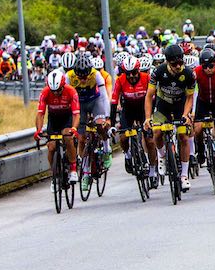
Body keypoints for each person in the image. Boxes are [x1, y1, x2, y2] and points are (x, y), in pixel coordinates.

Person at [144, 44, 197, 191]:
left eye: (180, 62)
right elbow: (149, 96)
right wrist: (147, 118)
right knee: (156, 132)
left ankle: (184, 176)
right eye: (174, 64)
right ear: (167, 62)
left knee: (183, 136)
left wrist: (186, 115)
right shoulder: (158, 71)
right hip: (163, 105)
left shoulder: (189, 74)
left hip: (180, 105)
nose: (178, 66)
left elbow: (190, 97)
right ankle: (161, 156)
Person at [67, 51, 110, 188]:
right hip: (80, 104)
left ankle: (106, 149)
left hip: (95, 101)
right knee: (81, 139)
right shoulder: (69, 76)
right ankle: (85, 173)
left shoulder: (96, 74)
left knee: (100, 125)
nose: (83, 80)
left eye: (85, 77)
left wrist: (107, 117)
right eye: (80, 77)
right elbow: (67, 99)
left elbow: (104, 97)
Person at [34, 69, 79, 184]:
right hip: (53, 120)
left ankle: (73, 169)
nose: (56, 93)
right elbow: (40, 114)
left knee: (68, 137)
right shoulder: (45, 92)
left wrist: (74, 128)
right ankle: (55, 174)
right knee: (51, 147)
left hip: (67, 118)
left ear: (63, 86)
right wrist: (38, 130)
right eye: (53, 91)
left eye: (58, 90)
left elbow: (76, 114)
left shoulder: (71, 91)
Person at [110, 54, 150, 175]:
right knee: (123, 137)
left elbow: (154, 98)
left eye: (134, 73)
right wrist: (112, 125)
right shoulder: (120, 80)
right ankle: (127, 155)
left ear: (138, 70)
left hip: (143, 109)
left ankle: (151, 164)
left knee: (149, 138)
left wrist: (151, 116)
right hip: (128, 110)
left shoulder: (146, 78)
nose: (131, 76)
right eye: (128, 73)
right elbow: (113, 102)